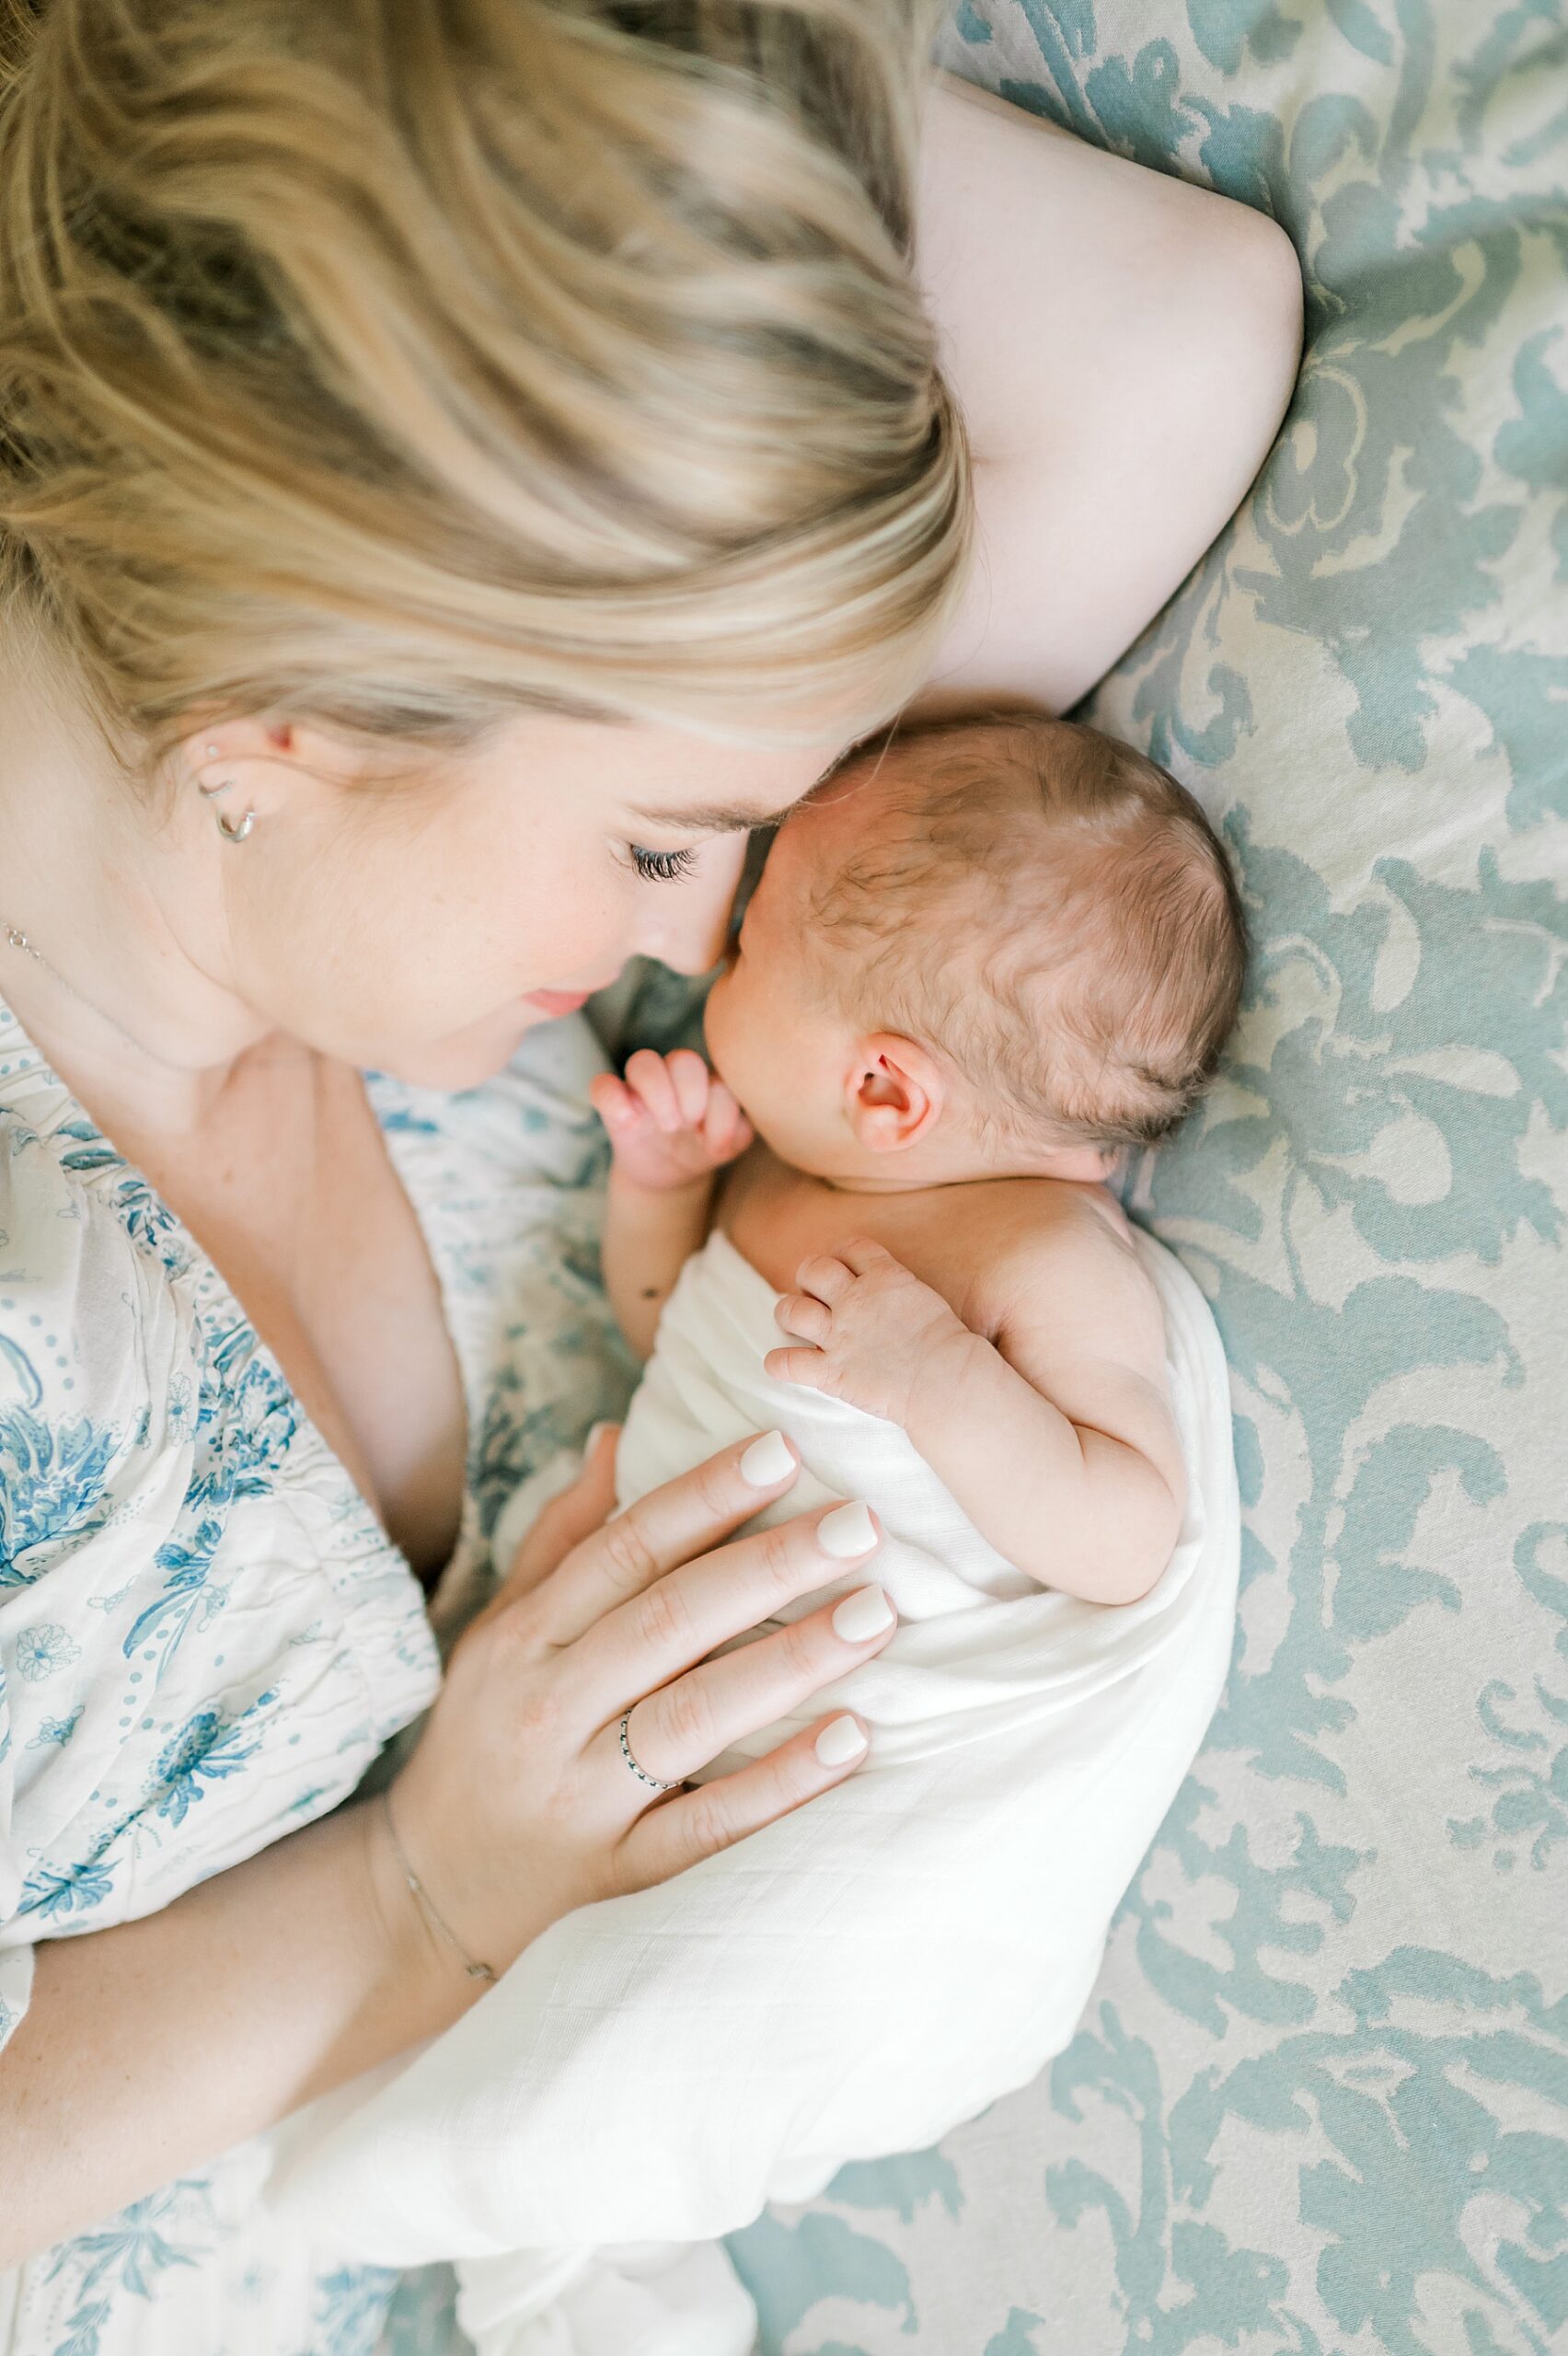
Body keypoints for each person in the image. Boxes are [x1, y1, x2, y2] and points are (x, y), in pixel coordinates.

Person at [0, 0, 1300, 2346]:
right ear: (295, 728)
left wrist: (439, 99)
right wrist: (414, 1889)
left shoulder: (496, 964)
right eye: (659, 839)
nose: (714, 930)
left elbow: (1172, 334)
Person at [273, 713, 1247, 2356]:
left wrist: (943, 1383)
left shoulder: (1042, 1260)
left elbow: (1122, 1527)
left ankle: (574, 2239)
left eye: (749, 943)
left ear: (884, 1085)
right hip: (673, 1682)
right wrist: (662, 1190)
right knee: (573, 2007)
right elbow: (673, 1333)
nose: (705, 962)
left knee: (645, 2034)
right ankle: (569, 2259)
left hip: (866, 1750)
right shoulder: (797, 1186)